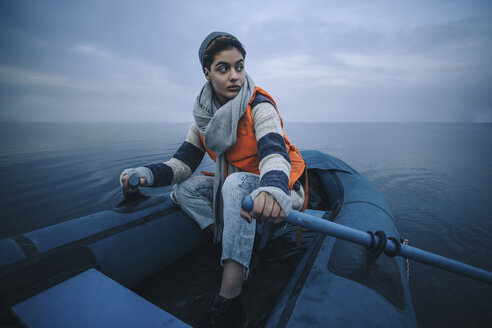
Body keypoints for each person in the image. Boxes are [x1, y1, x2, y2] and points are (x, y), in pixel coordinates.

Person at [120, 31, 307, 327]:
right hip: (240, 189)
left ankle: (229, 300)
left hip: (280, 187)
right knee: (185, 188)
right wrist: (145, 174)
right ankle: (220, 236)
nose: (235, 76)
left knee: (233, 184)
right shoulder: (203, 117)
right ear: (207, 73)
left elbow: (274, 152)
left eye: (240, 66)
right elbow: (182, 164)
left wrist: (273, 189)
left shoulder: (259, 104)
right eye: (224, 68)